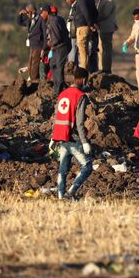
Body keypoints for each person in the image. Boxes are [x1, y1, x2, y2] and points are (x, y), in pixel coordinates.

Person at [51, 67, 93, 199]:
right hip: (73, 138)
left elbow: (57, 117)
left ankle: (60, 195)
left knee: (62, 170)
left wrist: (53, 137)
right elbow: (79, 123)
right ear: (84, 79)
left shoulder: (62, 94)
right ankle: (71, 192)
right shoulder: (80, 96)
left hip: (62, 137)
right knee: (87, 166)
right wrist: (85, 142)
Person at [41, 5, 71, 95]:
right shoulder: (52, 20)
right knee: (53, 64)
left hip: (61, 47)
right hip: (57, 47)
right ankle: (61, 86)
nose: (41, 14)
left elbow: (57, 38)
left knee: (58, 67)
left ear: (46, 12)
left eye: (42, 12)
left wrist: (50, 43)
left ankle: (58, 91)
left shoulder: (53, 21)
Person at [71, 0, 98, 70]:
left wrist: (90, 24)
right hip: (89, 27)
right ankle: (89, 68)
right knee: (87, 50)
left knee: (82, 49)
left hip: (83, 27)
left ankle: (83, 69)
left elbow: (85, 12)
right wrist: (92, 24)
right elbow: (95, 13)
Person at [93, 0, 117, 74]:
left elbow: (105, 14)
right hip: (103, 27)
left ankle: (106, 69)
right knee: (102, 49)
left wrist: (94, 19)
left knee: (106, 49)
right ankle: (103, 68)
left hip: (107, 27)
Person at [17, 3, 45, 80]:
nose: (26, 14)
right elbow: (20, 23)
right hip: (32, 46)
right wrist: (20, 14)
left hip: (38, 45)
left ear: (33, 11)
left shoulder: (40, 20)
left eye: (27, 12)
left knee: (35, 65)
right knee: (30, 63)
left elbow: (44, 34)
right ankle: (32, 78)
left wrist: (43, 48)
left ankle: (34, 80)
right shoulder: (30, 20)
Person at [64, 0, 78, 68]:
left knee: (73, 51)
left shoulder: (76, 6)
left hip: (74, 33)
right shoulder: (73, 6)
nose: (66, 0)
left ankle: (71, 68)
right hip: (71, 33)